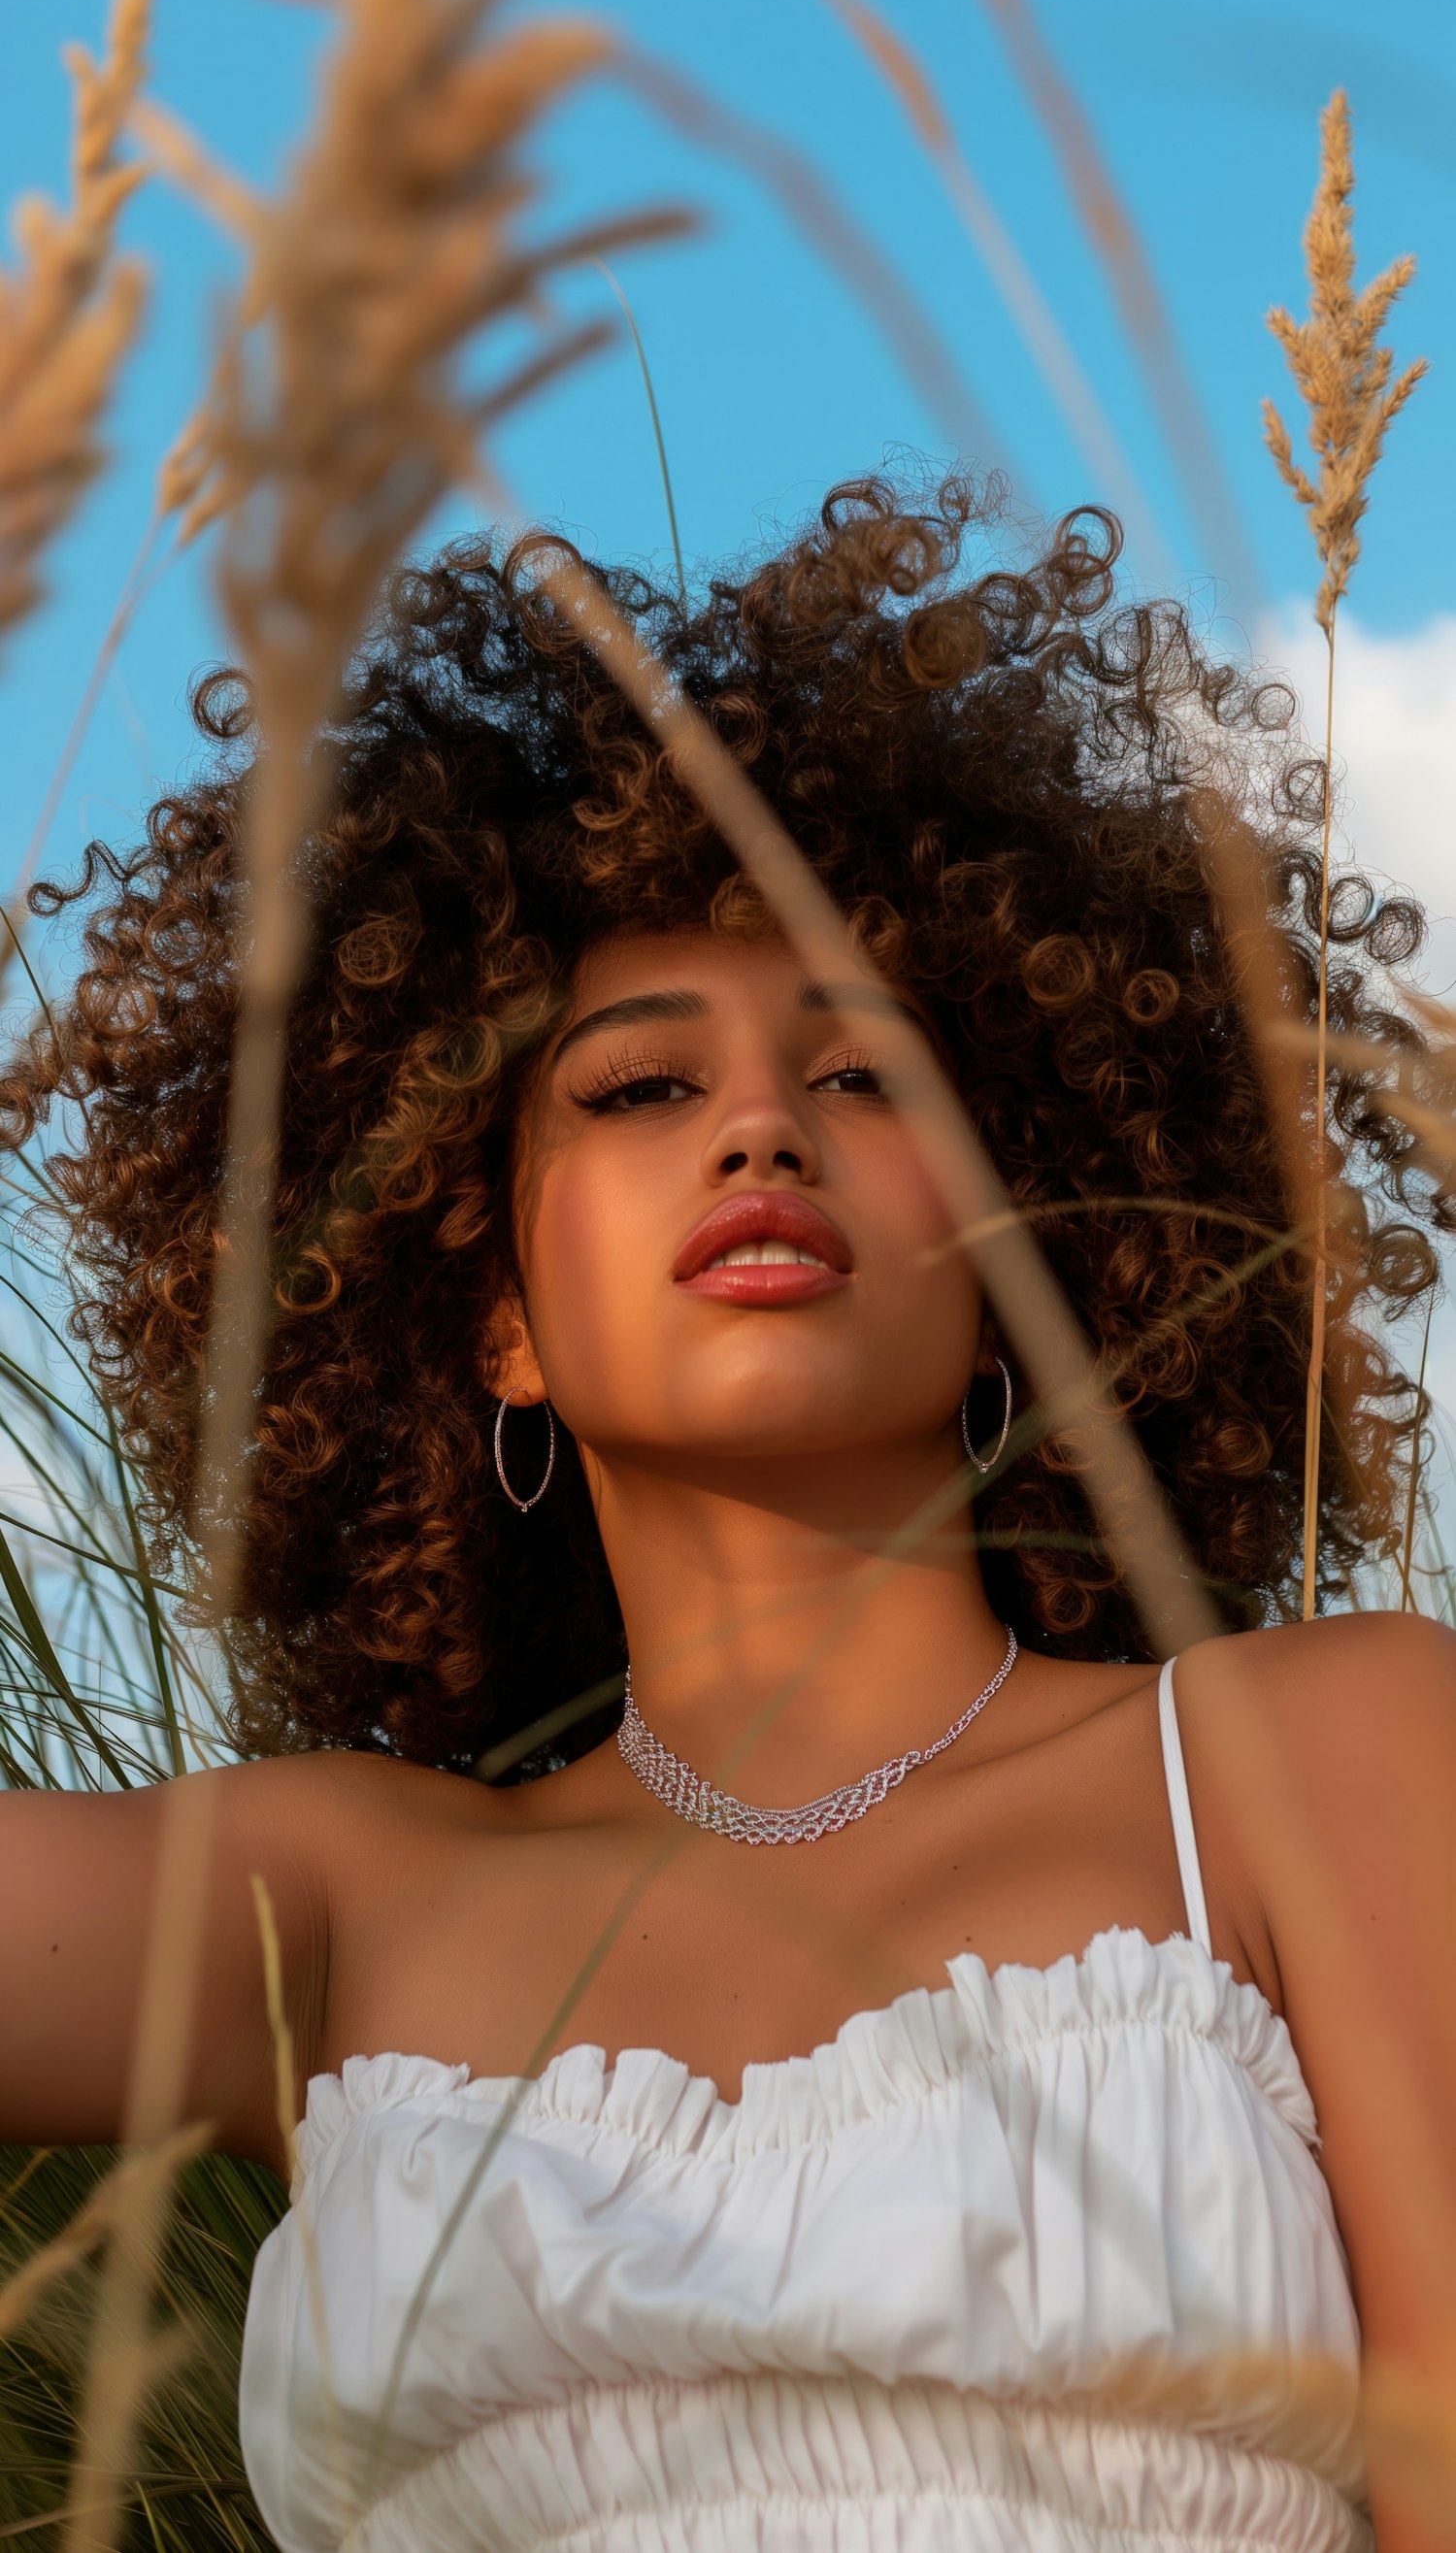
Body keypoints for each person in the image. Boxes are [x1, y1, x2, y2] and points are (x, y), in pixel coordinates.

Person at [2, 475, 1455, 2553]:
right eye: (640, 1088)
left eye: (866, 1078)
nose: (765, 1121)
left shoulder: (1322, 1759)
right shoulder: (334, 1896)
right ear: (489, 1313)